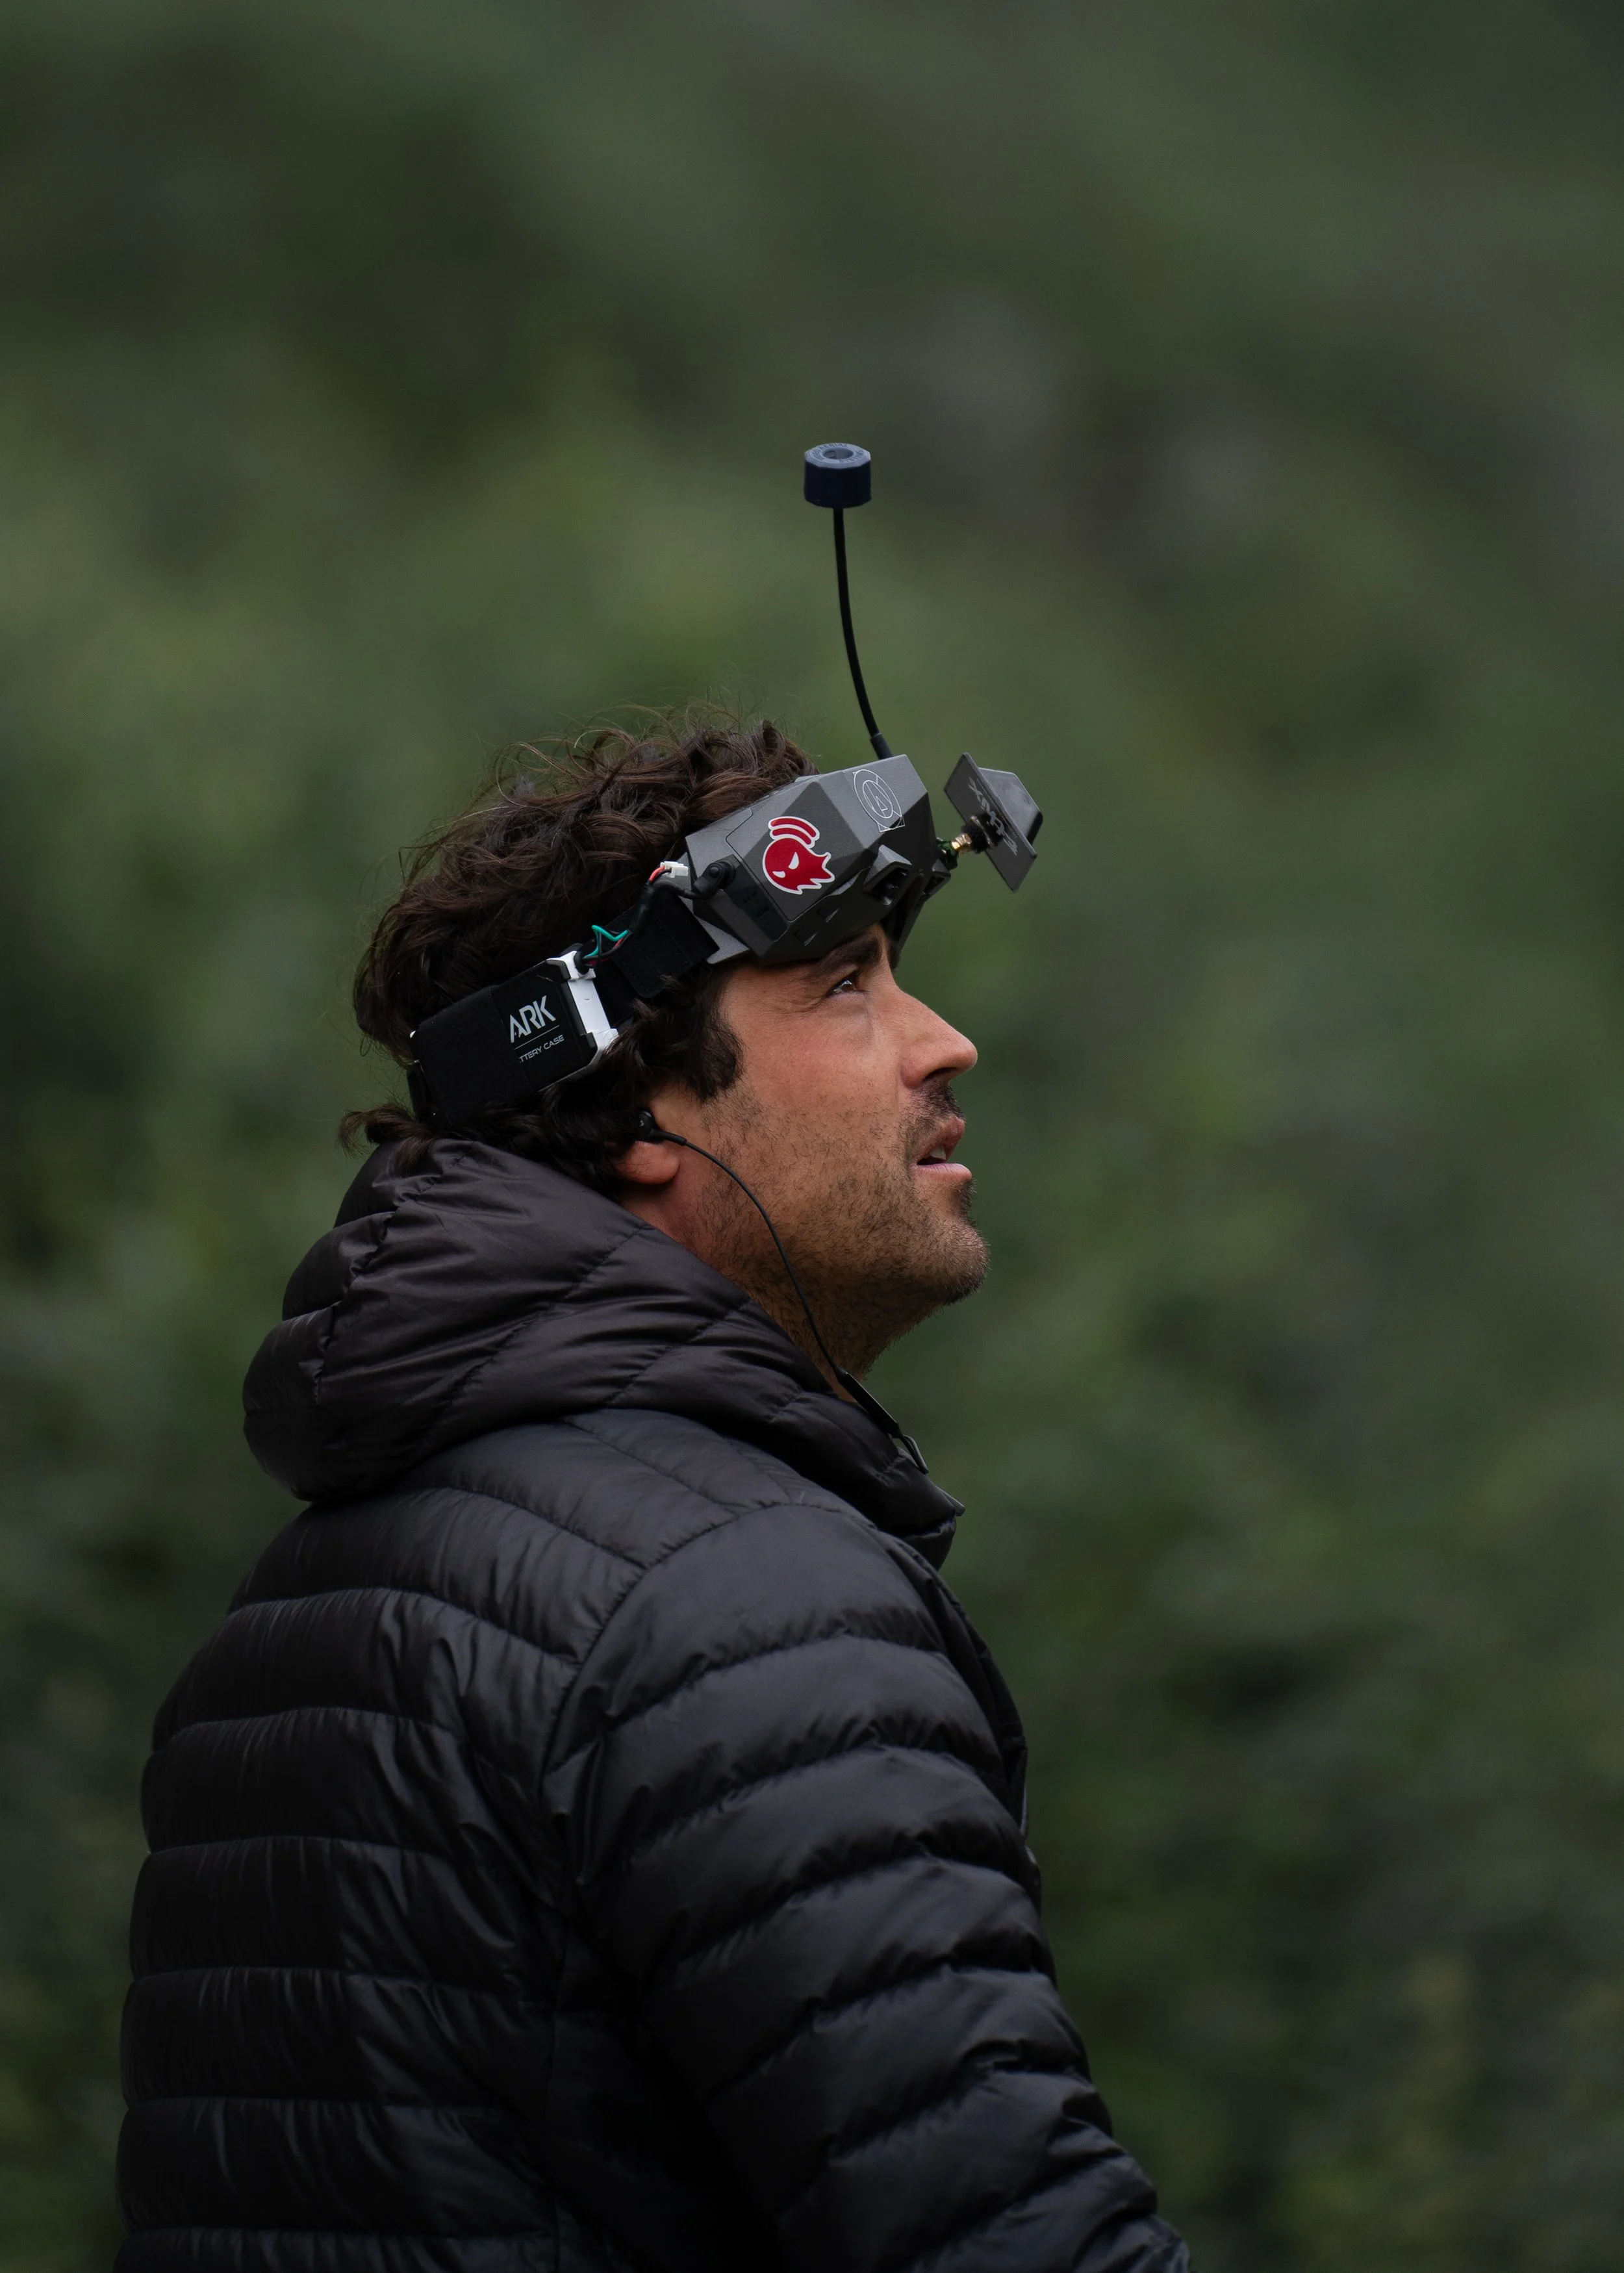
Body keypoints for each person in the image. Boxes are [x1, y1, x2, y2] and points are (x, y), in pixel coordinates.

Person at [116, 716, 1190, 2273]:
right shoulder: (735, 1610)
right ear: (630, 1105)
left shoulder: (285, 1621)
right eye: (843, 984)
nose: (940, 1040)